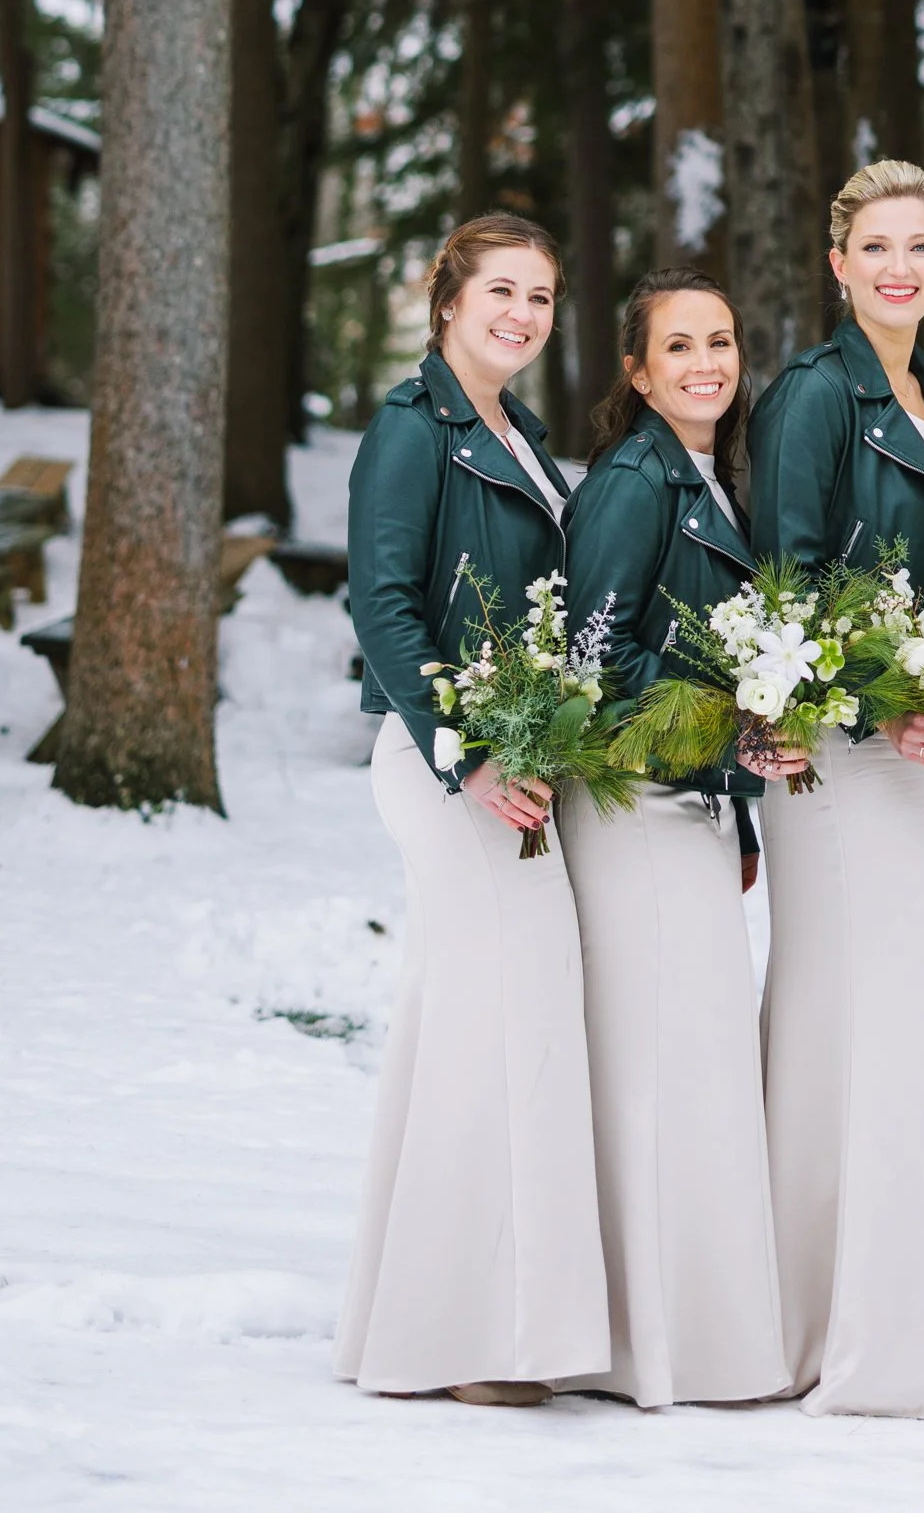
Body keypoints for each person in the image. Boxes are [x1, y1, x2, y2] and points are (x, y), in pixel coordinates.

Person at [336, 213, 608, 1405]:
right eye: (503, 288)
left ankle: (442, 1316)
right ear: (448, 297)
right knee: (502, 1016)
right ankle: (467, 1338)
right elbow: (384, 604)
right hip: (446, 764)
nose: (522, 313)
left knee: (476, 1020)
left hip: (522, 762)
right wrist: (469, 759)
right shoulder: (413, 427)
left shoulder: (526, 435)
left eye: (542, 295)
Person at [746, 160, 924, 1417]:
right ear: (837, 265)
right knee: (850, 1032)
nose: (900, 267)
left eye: (921, 247)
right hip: (843, 762)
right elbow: (784, 583)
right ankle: (812, 1325)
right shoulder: (813, 392)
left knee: (907, 1032)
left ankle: (898, 1318)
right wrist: (884, 706)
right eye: (876, 247)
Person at [561, 269, 787, 1410]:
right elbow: (595, 659)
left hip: (691, 809)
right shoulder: (630, 481)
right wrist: (731, 731)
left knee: (696, 1074)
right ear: (637, 372)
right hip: (634, 814)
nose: (707, 360)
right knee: (657, 1077)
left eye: (722, 339)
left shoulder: (711, 475)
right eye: (679, 345)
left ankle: (693, 1332)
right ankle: (643, 1346)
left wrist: (735, 797)